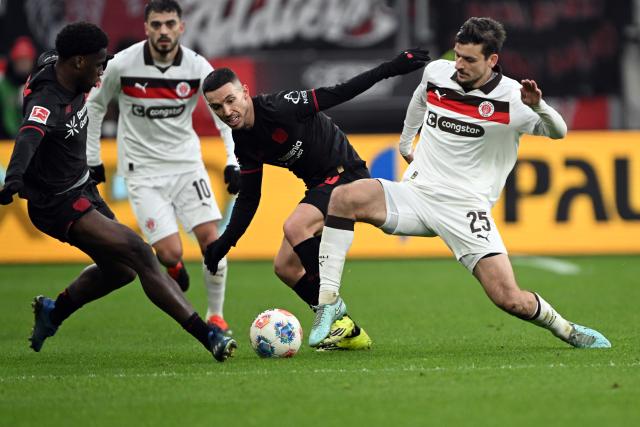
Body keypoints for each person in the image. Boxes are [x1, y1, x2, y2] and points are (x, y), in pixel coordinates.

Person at [309, 17, 611, 350]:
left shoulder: (514, 98)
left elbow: (560, 132)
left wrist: (537, 105)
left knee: (509, 299)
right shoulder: (438, 72)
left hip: (465, 209)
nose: (459, 65)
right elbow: (420, 99)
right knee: (343, 198)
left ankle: (567, 329)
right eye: (457, 55)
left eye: (469, 59)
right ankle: (329, 302)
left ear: (492, 60)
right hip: (417, 194)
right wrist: (406, 143)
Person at [0, 22, 236, 361]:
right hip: (57, 203)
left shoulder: (57, 60)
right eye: (97, 64)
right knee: (139, 253)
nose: (101, 75)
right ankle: (208, 334)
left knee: (121, 271)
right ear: (78, 62)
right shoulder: (47, 100)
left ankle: (54, 312)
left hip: (81, 186)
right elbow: (28, 136)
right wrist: (14, 180)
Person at [201, 48, 430, 350]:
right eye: (217, 107)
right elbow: (250, 196)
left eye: (230, 100)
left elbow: (340, 92)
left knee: (295, 226)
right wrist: (225, 242)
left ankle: (330, 305)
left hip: (345, 175)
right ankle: (347, 330)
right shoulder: (243, 141)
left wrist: (392, 67)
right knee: (284, 266)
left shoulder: (281, 106)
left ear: (245, 92)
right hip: (320, 186)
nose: (227, 111)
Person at [86, 0, 239, 334]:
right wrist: (93, 159)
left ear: (181, 27)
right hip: (142, 171)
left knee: (212, 240)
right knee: (169, 253)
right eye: (156, 25)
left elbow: (226, 114)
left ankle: (216, 315)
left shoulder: (198, 67)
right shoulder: (122, 64)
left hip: (186, 165)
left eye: (170, 24)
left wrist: (232, 160)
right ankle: (173, 266)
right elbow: (95, 106)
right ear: (146, 28)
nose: (164, 31)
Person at [0, 36, 36, 139]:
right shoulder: (3, 85)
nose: (24, 64)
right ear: (14, 61)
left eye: (26, 60)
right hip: (5, 141)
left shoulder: (38, 84)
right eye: (20, 60)